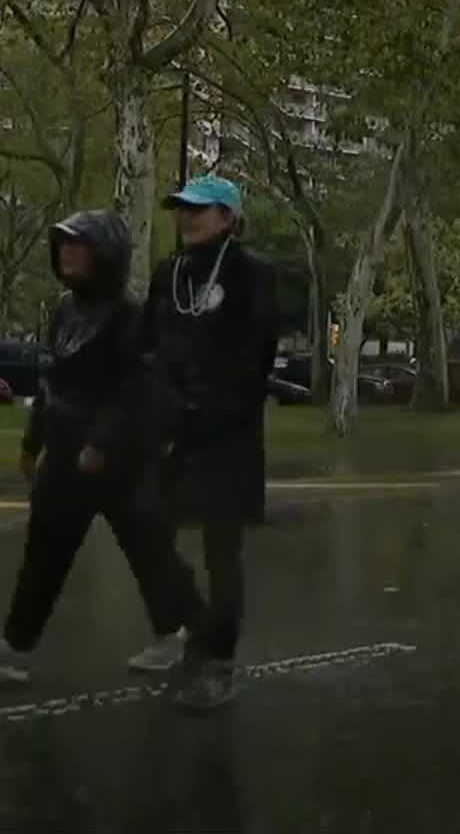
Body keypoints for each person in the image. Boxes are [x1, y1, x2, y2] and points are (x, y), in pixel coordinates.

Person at [0, 212, 203, 684]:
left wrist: (102, 444)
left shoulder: (129, 316)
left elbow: (135, 390)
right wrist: (32, 442)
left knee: (150, 551)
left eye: (79, 245)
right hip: (65, 455)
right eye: (62, 244)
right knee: (44, 552)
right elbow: (53, 382)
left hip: (121, 461)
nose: (67, 253)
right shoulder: (66, 309)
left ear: (105, 255)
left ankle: (185, 635)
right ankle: (15, 648)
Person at [141, 176, 277, 710]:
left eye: (199, 210)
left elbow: (255, 359)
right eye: (181, 209)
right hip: (170, 431)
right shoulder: (168, 273)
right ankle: (199, 630)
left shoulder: (252, 275)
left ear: (228, 218)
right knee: (147, 530)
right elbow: (147, 346)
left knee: (222, 549)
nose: (186, 217)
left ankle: (219, 662)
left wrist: (211, 410)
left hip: (228, 434)